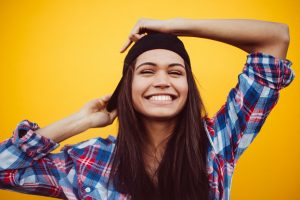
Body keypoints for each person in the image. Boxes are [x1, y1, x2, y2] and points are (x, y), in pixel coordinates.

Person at [0, 18, 295, 200]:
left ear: (188, 87)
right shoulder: (88, 159)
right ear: (126, 87)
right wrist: (80, 120)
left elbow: (275, 38)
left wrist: (173, 27)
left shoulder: (218, 142)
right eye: (147, 71)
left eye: (176, 72)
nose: (163, 81)